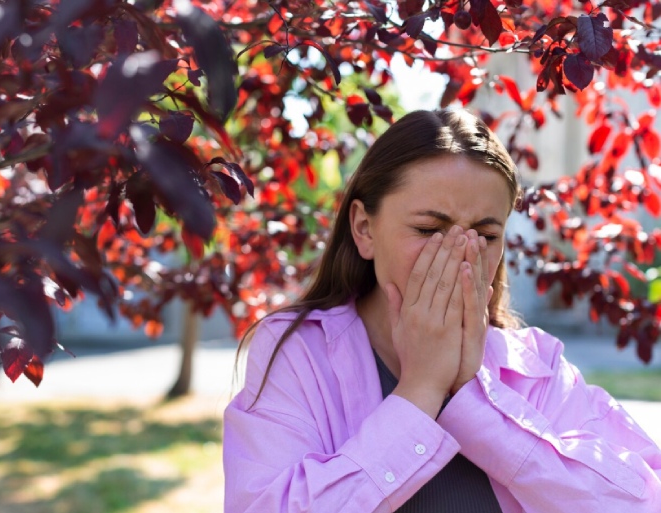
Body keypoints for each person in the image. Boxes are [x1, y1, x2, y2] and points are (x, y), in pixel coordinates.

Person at [222, 109, 661, 512]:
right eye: (429, 229)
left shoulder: (536, 367)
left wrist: (476, 403)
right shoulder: (297, 353)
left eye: (486, 235)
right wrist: (420, 391)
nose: (461, 254)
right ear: (363, 228)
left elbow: (643, 499)